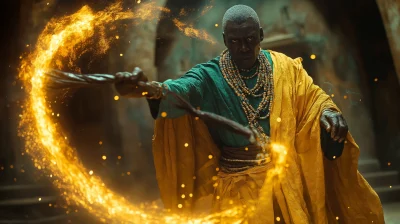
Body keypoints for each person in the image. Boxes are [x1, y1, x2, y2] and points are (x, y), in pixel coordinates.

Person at [114, 4, 384, 223]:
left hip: (288, 185)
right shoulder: (209, 76)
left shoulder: (286, 68)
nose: (243, 48)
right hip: (239, 193)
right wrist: (149, 89)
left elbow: (314, 98)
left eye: (250, 40)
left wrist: (328, 113)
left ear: (261, 35)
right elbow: (178, 89)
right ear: (224, 40)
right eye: (235, 41)